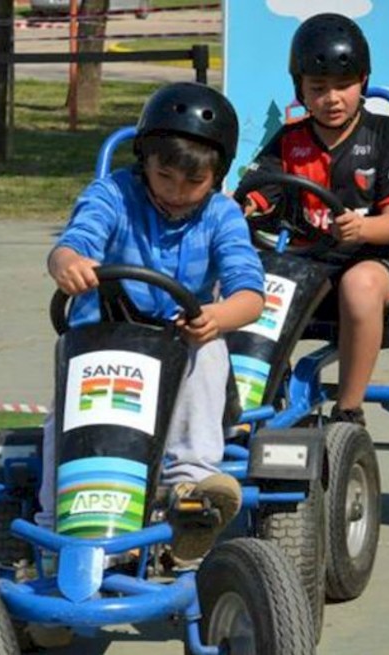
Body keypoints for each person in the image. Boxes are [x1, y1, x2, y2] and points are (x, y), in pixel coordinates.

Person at [35, 82, 266, 563]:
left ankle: (190, 489)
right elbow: (76, 240)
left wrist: (216, 317)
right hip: (104, 346)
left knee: (210, 348)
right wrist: (68, 263)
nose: (177, 193)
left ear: (217, 176)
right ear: (145, 162)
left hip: (181, 348)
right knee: (64, 417)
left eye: (193, 183)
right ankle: (56, 535)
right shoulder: (114, 194)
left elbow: (249, 293)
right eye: (165, 177)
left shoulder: (222, 215)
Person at [234, 12, 389, 427]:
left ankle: (348, 409)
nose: (332, 98)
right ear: (299, 89)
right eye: (318, 89)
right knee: (244, 280)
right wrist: (244, 207)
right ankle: (253, 401)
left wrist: (363, 229)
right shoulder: (290, 140)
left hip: (377, 267)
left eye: (344, 86)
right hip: (306, 268)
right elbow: (256, 191)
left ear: (363, 83)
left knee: (359, 284)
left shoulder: (384, 134)